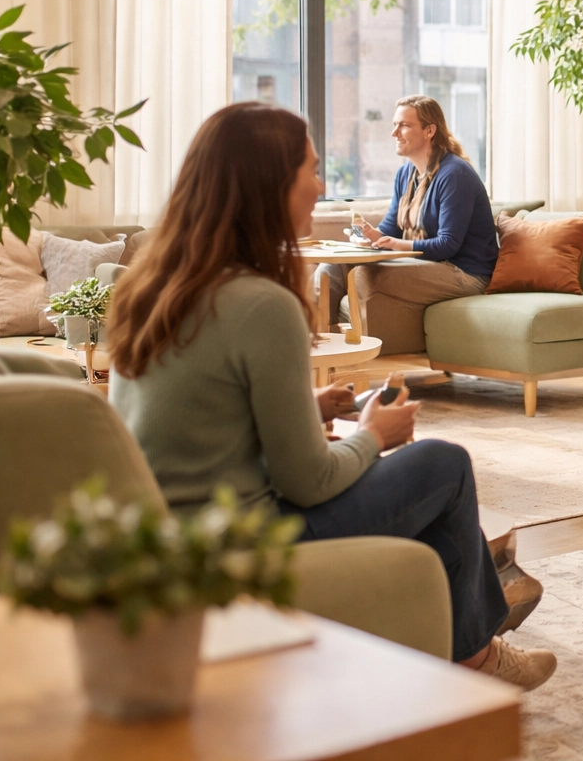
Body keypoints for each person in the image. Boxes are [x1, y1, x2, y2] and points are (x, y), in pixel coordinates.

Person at [109, 102, 556, 690]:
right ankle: (474, 654)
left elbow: (199, 420)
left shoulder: (150, 286)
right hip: (250, 540)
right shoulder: (262, 304)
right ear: (269, 186)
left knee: (422, 482)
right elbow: (309, 483)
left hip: (173, 530)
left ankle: (462, 623)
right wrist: (375, 435)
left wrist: (305, 410)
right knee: (443, 466)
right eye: (311, 170)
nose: (320, 187)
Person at [320, 95, 498, 353]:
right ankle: (320, 348)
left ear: (429, 130)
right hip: (427, 264)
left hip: (466, 272)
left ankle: (358, 356)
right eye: (395, 125)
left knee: (366, 274)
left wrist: (397, 245)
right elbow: (389, 229)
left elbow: (448, 245)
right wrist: (365, 234)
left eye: (403, 125)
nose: (394, 133)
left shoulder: (455, 175)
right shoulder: (406, 174)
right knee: (331, 268)